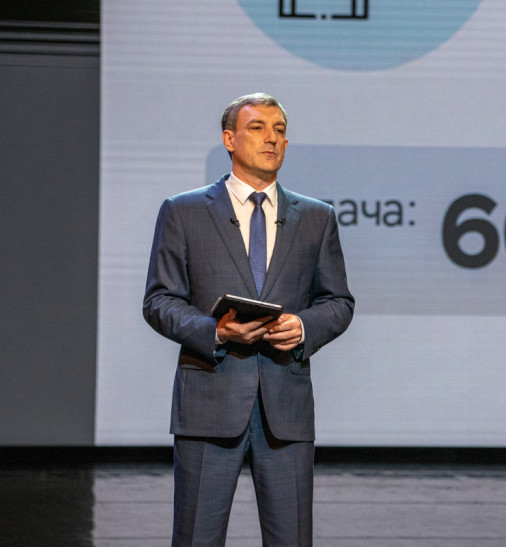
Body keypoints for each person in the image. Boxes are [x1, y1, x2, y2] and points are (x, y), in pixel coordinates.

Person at [143, 92, 354, 546]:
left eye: (280, 130)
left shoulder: (317, 218)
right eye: (257, 128)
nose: (271, 139)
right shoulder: (183, 211)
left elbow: (338, 302)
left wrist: (304, 328)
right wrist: (216, 331)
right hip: (208, 401)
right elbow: (159, 300)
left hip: (286, 409)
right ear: (229, 139)